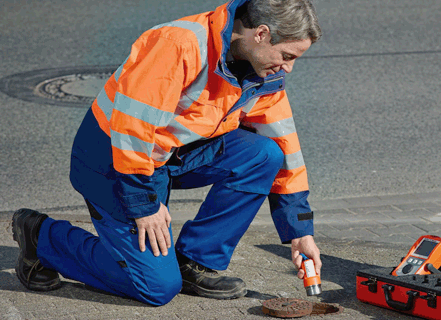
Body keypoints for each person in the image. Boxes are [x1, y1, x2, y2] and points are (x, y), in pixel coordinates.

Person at [11, 0, 322, 306]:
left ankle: (194, 262)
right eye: (287, 55)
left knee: (264, 155)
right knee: (155, 287)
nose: (289, 68)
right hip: (114, 162)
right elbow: (131, 130)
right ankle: (43, 237)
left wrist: (299, 231)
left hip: (169, 156)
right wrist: (145, 205)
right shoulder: (179, 45)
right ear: (262, 34)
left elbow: (285, 144)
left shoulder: (263, 71)